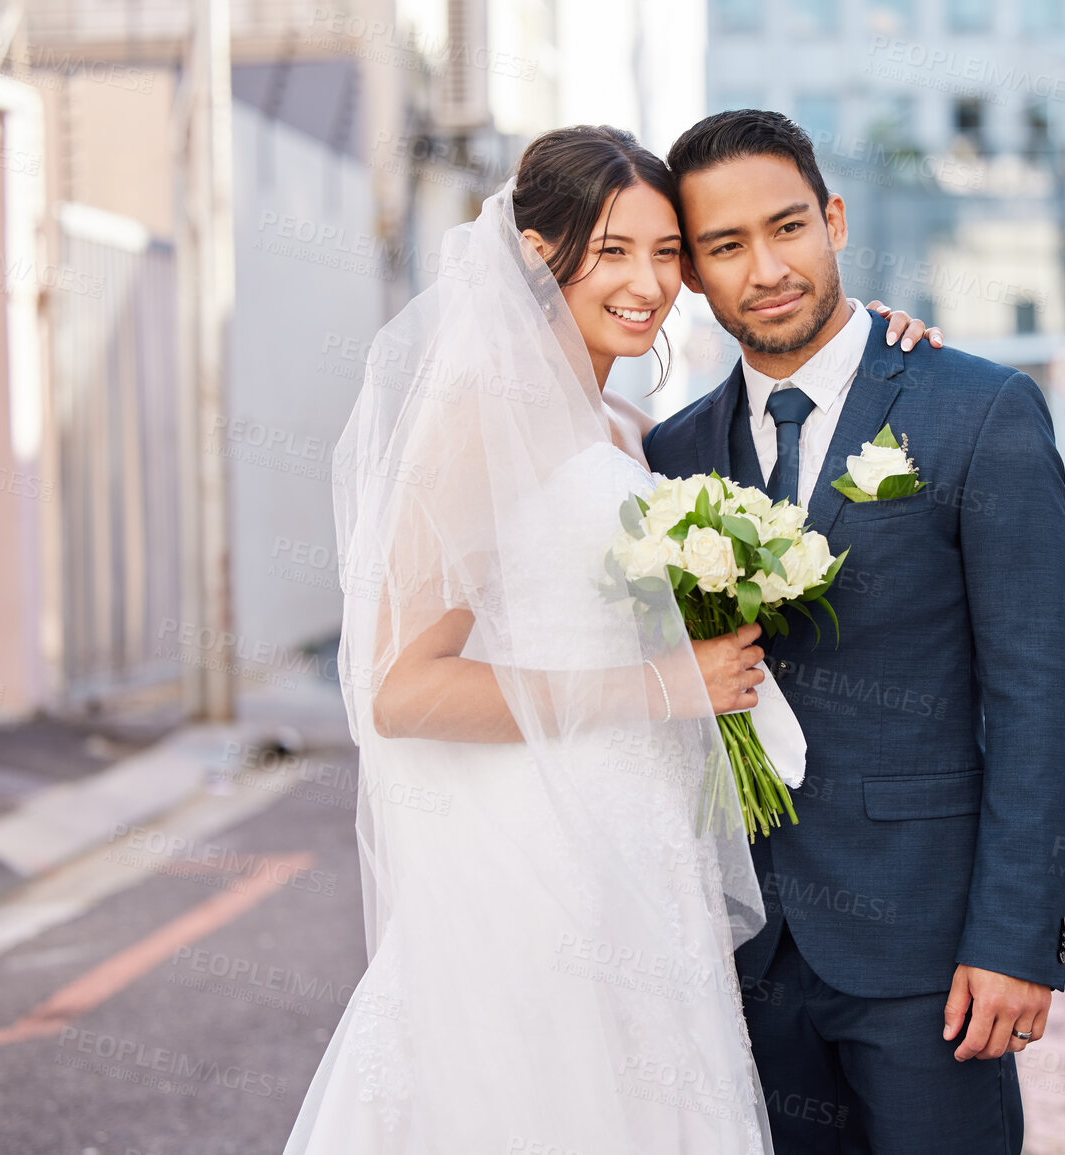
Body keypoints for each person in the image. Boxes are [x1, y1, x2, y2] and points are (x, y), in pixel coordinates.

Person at [283, 124, 937, 1154]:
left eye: (668, 253)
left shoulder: (630, 431)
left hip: (642, 852)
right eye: (615, 251)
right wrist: (664, 686)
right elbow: (400, 691)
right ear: (541, 255)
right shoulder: (472, 422)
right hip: (531, 857)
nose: (650, 283)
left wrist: (875, 345)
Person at [643, 109, 1065, 1155]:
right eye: (725, 246)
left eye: (787, 227)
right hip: (738, 955)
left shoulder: (977, 413)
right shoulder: (668, 455)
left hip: (928, 954)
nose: (767, 268)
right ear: (695, 277)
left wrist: (1017, 939)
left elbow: (1038, 695)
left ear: (834, 219)